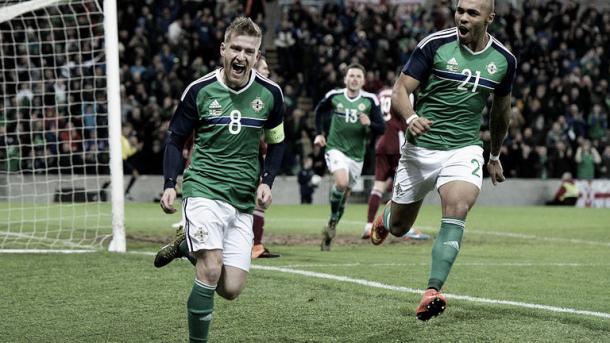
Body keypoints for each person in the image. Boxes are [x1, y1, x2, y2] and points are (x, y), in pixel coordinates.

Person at [370, 0, 516, 321]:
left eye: (472, 13)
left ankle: (432, 291)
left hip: (464, 149)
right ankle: (387, 215)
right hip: (421, 147)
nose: (463, 17)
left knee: (458, 206)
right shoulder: (435, 45)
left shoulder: (503, 60)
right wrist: (410, 118)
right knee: (399, 227)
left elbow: (500, 112)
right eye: (460, 10)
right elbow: (400, 90)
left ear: (490, 17)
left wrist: (494, 155)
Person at [155, 17, 285, 342]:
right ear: (223, 50)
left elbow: (278, 141)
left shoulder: (271, 94)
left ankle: (188, 246)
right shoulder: (199, 90)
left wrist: (267, 180)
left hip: (241, 201)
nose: (241, 56)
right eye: (236, 48)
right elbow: (175, 138)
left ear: (257, 57)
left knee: (230, 289)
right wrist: (171, 183)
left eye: (249, 51)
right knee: (211, 268)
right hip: (203, 189)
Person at [314, 63, 385, 251]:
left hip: (357, 156)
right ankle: (332, 215)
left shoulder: (370, 100)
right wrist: (319, 133)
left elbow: (381, 127)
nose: (354, 79)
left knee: (345, 195)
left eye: (358, 77)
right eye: (351, 76)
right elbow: (319, 111)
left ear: (363, 81)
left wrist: (369, 123)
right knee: (341, 182)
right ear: (345, 79)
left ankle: (332, 224)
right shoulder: (334, 96)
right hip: (335, 148)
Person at [361, 87, 430, 241]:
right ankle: (404, 226)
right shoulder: (405, 93)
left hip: (381, 142)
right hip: (398, 142)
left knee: (379, 186)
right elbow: (408, 119)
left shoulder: (381, 93)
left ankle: (369, 224)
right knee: (406, 185)